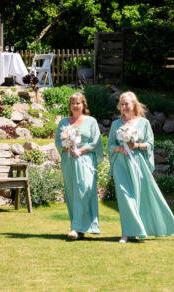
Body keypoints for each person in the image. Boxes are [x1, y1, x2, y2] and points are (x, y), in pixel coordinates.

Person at [108, 91, 174, 243]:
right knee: (124, 197)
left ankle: (138, 230)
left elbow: (150, 144)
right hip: (121, 164)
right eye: (122, 104)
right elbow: (110, 145)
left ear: (134, 104)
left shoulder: (144, 123)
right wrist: (120, 148)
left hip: (137, 164)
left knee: (138, 197)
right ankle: (127, 233)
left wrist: (136, 145)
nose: (125, 106)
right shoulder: (115, 124)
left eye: (127, 103)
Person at [55, 92, 104, 239]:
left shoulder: (91, 121)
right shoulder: (64, 122)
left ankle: (77, 227)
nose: (75, 106)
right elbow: (58, 142)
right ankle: (77, 228)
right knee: (72, 193)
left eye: (78, 103)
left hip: (86, 160)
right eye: (73, 103)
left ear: (84, 105)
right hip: (69, 161)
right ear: (69, 106)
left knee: (84, 191)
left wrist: (81, 150)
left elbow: (95, 141)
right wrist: (68, 147)